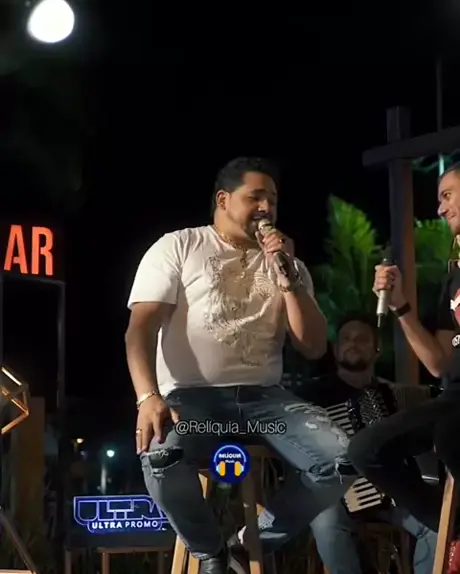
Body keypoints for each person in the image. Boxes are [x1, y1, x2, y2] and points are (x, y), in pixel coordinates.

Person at [125, 157, 356, 574]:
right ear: (223, 200)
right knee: (160, 454)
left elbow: (313, 346)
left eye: (273, 200)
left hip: (265, 404)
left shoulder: (289, 265)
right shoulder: (179, 246)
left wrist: (288, 278)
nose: (266, 208)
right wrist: (148, 396)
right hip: (195, 404)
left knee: (342, 458)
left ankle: (246, 545)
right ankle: (210, 552)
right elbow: (138, 330)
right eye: (256, 197)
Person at [347, 163, 460, 570]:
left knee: (450, 435)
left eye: (448, 195)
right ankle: (452, 530)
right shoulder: (454, 275)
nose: (440, 207)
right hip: (453, 397)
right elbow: (437, 363)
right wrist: (399, 306)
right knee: (366, 449)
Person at [297, 314, 436, 574]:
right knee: (326, 521)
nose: (353, 344)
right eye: (346, 339)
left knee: (438, 525)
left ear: (376, 350)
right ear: (335, 350)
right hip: (335, 496)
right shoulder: (310, 395)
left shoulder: (392, 394)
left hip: (392, 493)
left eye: (362, 339)